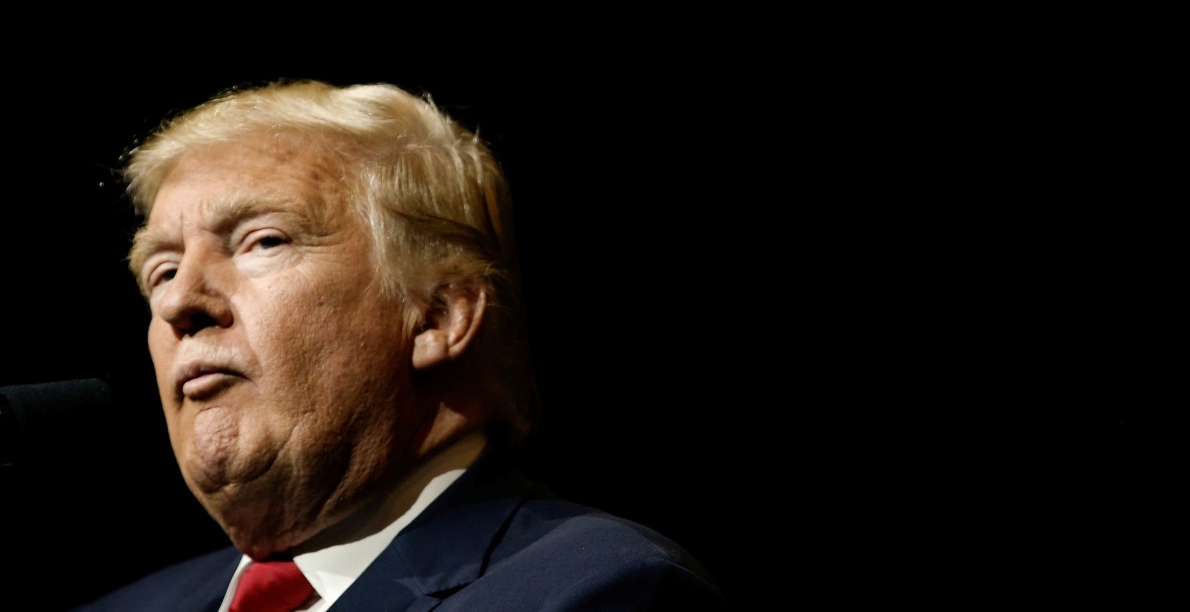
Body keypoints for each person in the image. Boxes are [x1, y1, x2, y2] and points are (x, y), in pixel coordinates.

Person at [71, 79, 727, 611]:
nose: (180, 303)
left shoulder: (596, 591)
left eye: (263, 241)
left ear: (437, 317)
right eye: (161, 271)